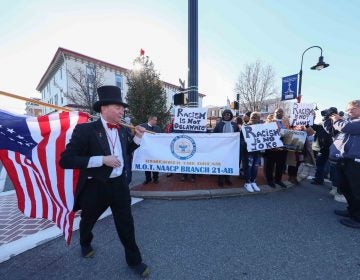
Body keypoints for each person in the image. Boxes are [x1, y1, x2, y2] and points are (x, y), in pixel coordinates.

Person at [59, 85, 149, 278]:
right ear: (103, 108)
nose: (122, 111)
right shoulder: (85, 130)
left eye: (122, 108)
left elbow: (126, 151)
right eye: (118, 107)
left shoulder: (124, 130)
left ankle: (134, 260)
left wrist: (138, 138)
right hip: (95, 186)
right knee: (88, 220)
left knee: (126, 224)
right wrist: (102, 159)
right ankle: (85, 242)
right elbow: (66, 160)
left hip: (119, 186)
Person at [323, 100, 360, 229]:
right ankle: (352, 211)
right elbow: (331, 130)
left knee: (356, 191)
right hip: (345, 160)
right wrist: (327, 118)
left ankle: (358, 218)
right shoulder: (347, 121)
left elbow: (344, 127)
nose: (350, 111)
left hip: (356, 161)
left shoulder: (351, 123)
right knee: (345, 187)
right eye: (348, 109)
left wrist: (337, 119)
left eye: (353, 108)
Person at [213, 109, 240, 187]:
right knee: (221, 163)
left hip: (231, 148)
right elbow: (214, 135)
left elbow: (238, 135)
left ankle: (227, 178)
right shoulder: (219, 124)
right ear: (223, 116)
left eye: (228, 114)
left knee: (229, 163)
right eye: (225, 115)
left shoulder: (235, 125)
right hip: (221, 148)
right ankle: (220, 179)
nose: (227, 116)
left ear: (231, 115)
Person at [242, 112, 262, 192]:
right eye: (253, 116)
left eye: (256, 117)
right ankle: (247, 182)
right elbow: (241, 139)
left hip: (257, 151)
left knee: (255, 167)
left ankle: (253, 181)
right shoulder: (245, 126)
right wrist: (246, 142)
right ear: (250, 117)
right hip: (248, 151)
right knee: (248, 167)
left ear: (259, 119)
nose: (254, 118)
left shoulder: (261, 127)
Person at [140, 115, 161, 184]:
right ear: (150, 120)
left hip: (155, 150)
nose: (156, 121)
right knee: (147, 164)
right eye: (155, 120)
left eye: (156, 120)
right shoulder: (142, 127)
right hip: (146, 150)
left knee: (155, 164)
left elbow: (161, 137)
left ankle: (155, 178)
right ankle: (148, 179)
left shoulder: (158, 128)